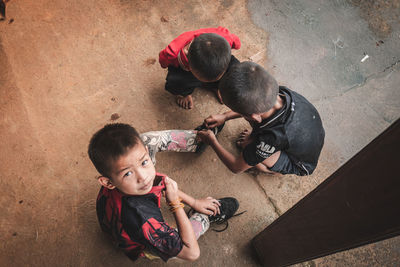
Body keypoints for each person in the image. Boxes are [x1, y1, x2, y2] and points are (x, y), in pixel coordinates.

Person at [88, 123, 240, 262]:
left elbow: (162, 183)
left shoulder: (120, 182)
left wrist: (194, 202)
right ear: (107, 182)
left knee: (147, 139)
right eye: (128, 173)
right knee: (182, 240)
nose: (143, 177)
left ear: (147, 153)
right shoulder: (143, 219)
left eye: (144, 162)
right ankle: (205, 217)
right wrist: (175, 204)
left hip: (116, 221)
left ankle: (199, 139)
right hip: (139, 241)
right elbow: (191, 253)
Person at [197, 61, 325, 176]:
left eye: (240, 113)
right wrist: (225, 116)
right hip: (305, 133)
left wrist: (212, 141)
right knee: (253, 144)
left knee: (250, 147)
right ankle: (256, 149)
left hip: (299, 163)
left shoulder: (273, 138)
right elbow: (253, 110)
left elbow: (236, 167)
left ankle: (270, 171)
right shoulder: (276, 92)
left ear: (254, 116)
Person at [159, 27, 241, 109]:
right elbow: (163, 59)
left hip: (217, 60)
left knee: (234, 68)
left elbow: (235, 41)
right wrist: (165, 63)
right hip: (184, 69)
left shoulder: (226, 39)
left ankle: (216, 85)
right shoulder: (174, 53)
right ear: (190, 68)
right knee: (175, 81)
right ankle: (184, 93)